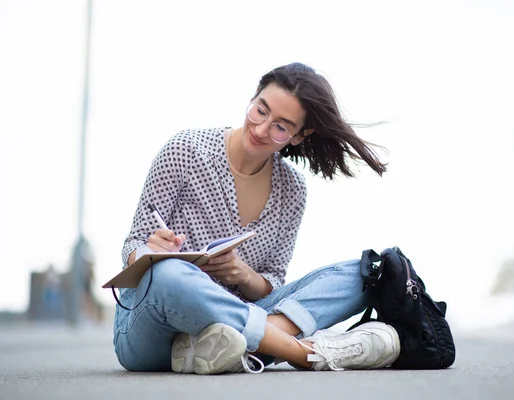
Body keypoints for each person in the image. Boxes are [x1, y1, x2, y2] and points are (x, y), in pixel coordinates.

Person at [113, 62, 400, 374]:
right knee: (171, 275)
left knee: (363, 274)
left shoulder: (292, 189)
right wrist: (151, 254)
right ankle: (299, 351)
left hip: (240, 317)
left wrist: (242, 275)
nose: (262, 129)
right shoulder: (186, 150)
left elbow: (273, 282)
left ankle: (226, 346)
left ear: (299, 136)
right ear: (253, 98)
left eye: (280, 126)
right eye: (260, 111)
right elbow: (134, 244)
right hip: (153, 327)